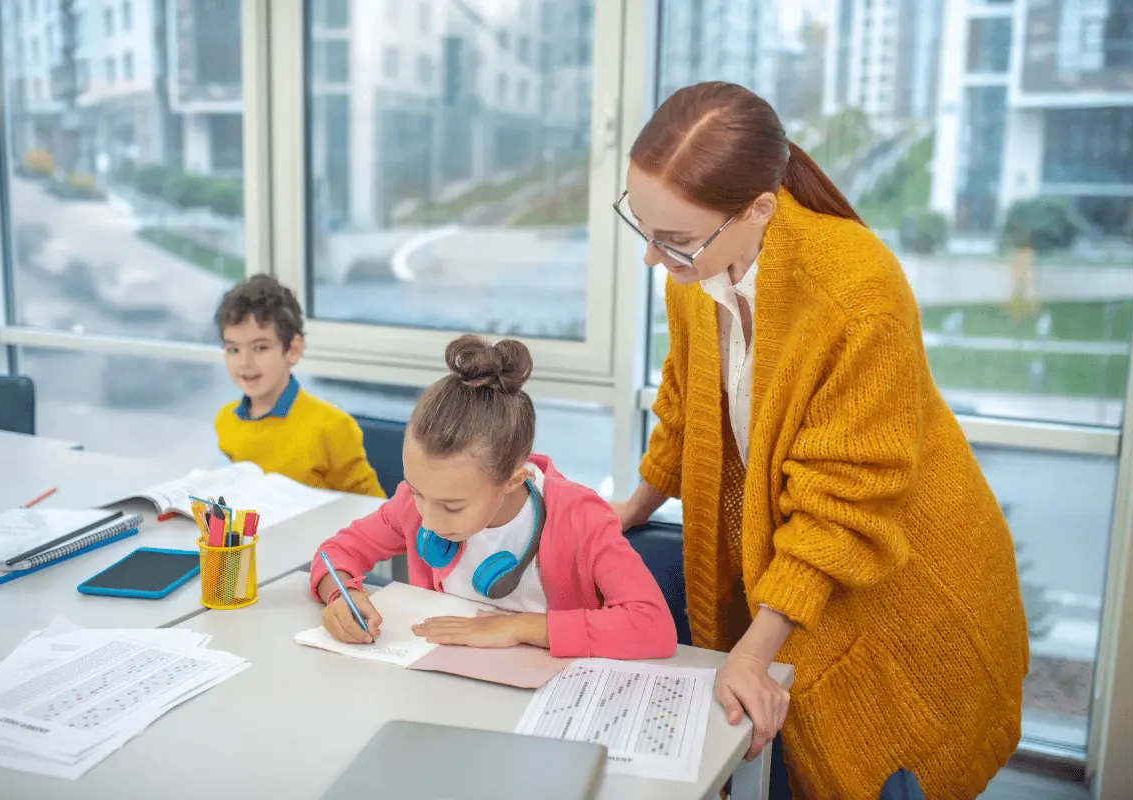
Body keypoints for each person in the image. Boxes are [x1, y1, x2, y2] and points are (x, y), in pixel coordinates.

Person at [608, 82, 1028, 799]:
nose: (653, 259)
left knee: (878, 763)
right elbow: (685, 415)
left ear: (759, 211)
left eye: (672, 239)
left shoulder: (856, 290)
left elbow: (843, 507)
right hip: (814, 570)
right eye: (641, 226)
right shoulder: (695, 271)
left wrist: (753, 647)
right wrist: (624, 513)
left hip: (908, 589)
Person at [310, 334, 677, 660]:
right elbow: (336, 553)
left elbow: (652, 625)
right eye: (420, 493)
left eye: (453, 506)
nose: (431, 520)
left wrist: (518, 627)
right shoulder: (414, 502)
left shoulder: (579, 518)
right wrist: (343, 596)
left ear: (514, 480)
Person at [214, 274, 385, 497]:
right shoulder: (226, 421)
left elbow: (373, 509)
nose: (245, 363)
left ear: (292, 350)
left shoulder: (332, 427)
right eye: (233, 349)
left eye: (260, 348)